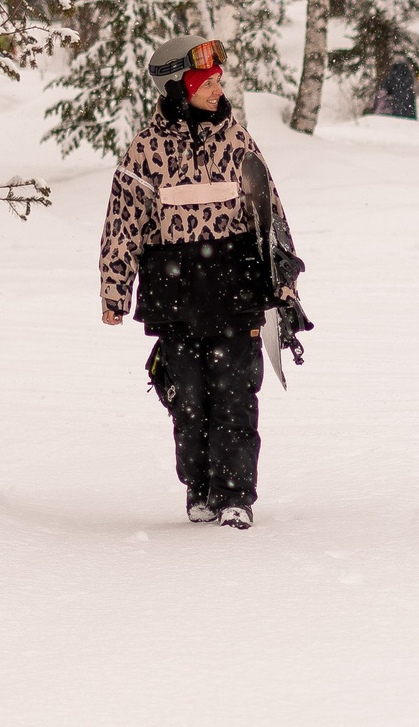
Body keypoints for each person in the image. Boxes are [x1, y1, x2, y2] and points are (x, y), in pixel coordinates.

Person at [100, 33, 308, 527]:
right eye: (207, 81)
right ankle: (200, 488)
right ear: (178, 87)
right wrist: (114, 290)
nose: (219, 89)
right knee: (188, 401)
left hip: (236, 291)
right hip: (174, 298)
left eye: (218, 80)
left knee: (236, 397)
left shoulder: (238, 141)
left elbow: (271, 219)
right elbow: (123, 224)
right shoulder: (146, 150)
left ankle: (235, 495)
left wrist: (285, 285)